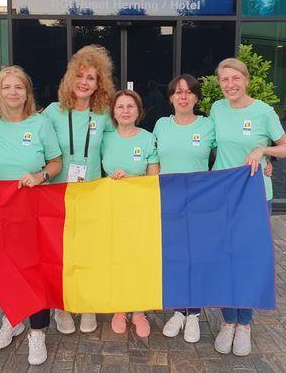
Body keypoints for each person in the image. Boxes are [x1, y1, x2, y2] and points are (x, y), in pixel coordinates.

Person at [210, 58, 286, 357]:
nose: (230, 84)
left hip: (255, 196)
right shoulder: (217, 109)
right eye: (224, 80)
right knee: (224, 259)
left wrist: (263, 151)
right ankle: (227, 321)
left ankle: (244, 323)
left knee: (247, 259)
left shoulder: (264, 112)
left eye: (235, 78)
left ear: (246, 79)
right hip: (223, 195)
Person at [0, 66, 62, 365]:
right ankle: (13, 318)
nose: (13, 92)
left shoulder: (40, 123)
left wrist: (41, 175)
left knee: (35, 269)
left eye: (19, 87)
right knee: (5, 267)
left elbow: (55, 162)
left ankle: (38, 331)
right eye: (6, 87)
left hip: (32, 208)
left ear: (27, 92)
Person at [42, 44, 115, 334]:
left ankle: (87, 304)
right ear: (70, 78)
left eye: (91, 78)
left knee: (88, 252)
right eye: (80, 76)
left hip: (92, 194)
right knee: (60, 253)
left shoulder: (103, 114)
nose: (84, 82)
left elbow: (118, 146)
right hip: (57, 195)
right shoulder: (52, 112)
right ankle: (61, 307)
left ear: (99, 84)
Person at [153, 74, 216, 343]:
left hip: (200, 203)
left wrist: (265, 160)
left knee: (197, 257)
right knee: (175, 258)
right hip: (169, 202)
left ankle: (194, 314)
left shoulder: (208, 125)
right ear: (170, 98)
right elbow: (152, 161)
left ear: (196, 98)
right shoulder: (161, 125)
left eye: (188, 91)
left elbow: (230, 153)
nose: (183, 96)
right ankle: (179, 311)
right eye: (177, 92)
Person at [101, 90, 159, 338]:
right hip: (111, 208)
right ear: (113, 113)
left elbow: (153, 179)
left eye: (130, 106)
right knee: (117, 258)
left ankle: (139, 311)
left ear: (138, 111)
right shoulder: (104, 139)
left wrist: (131, 178)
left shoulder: (148, 138)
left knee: (139, 258)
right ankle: (120, 308)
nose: (125, 111)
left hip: (140, 209)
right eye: (120, 107)